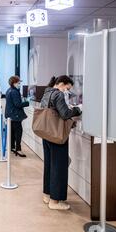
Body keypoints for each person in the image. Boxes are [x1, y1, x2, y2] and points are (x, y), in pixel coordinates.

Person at [40, 75, 82, 210]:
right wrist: (78, 108)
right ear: (61, 84)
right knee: (59, 167)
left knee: (49, 165)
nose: (67, 91)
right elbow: (64, 114)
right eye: (67, 88)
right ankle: (55, 201)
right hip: (57, 136)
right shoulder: (58, 94)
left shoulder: (47, 93)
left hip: (46, 134)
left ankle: (47, 194)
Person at [5, 76, 30, 157]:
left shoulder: (9, 90)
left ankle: (12, 147)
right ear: (14, 83)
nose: (19, 84)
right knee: (18, 132)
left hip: (10, 114)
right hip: (15, 115)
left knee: (12, 132)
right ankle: (18, 149)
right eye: (18, 83)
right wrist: (27, 102)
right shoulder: (15, 92)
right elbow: (18, 104)